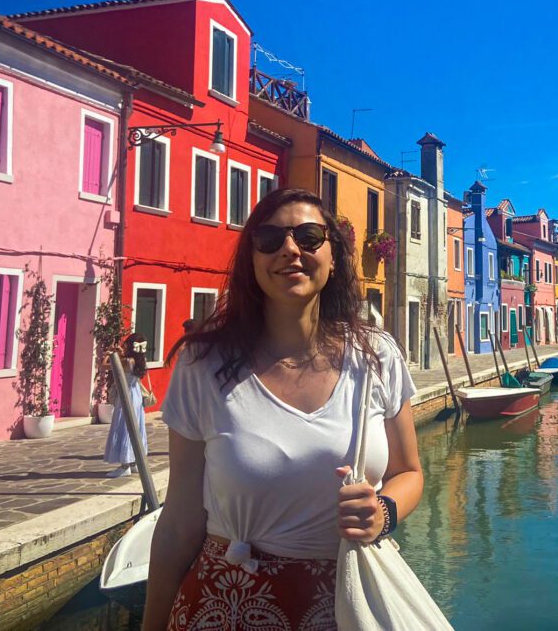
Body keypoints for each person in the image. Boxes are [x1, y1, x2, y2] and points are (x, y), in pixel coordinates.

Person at [142, 188, 423, 631]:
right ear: (253, 261)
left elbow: (410, 472)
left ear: (334, 256)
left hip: (348, 605)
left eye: (309, 236)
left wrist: (382, 512)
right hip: (226, 608)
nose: (290, 249)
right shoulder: (203, 365)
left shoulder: (377, 357)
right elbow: (179, 520)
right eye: (270, 239)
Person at [102, 333, 149, 478]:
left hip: (126, 395)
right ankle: (134, 462)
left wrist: (109, 353)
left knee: (124, 427)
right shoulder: (141, 360)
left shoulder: (127, 361)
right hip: (136, 395)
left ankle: (124, 465)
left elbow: (103, 367)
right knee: (136, 427)